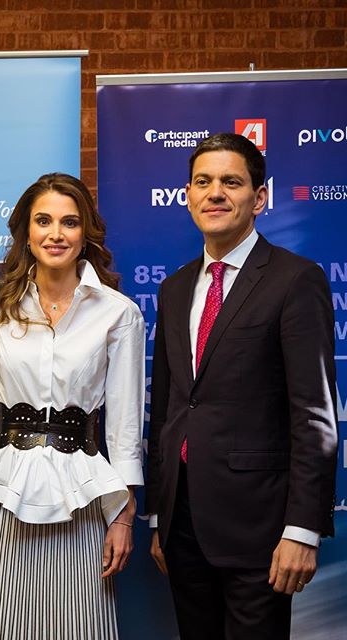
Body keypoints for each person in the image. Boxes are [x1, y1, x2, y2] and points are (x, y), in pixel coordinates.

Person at [146, 133, 338, 639]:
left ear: (259, 198)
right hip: (182, 525)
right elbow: (167, 408)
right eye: (203, 182)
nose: (215, 193)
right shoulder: (174, 288)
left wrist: (302, 530)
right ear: (188, 195)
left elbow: (313, 414)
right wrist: (159, 517)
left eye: (231, 182)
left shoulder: (295, 280)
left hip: (262, 530)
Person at [0, 172, 145, 639]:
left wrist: (123, 516)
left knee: (80, 626)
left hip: (81, 497)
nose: (56, 234)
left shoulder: (118, 312)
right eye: (43, 221)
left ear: (86, 232)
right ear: (26, 231)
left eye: (69, 222)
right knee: (2, 626)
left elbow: (124, 427)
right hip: (4, 492)